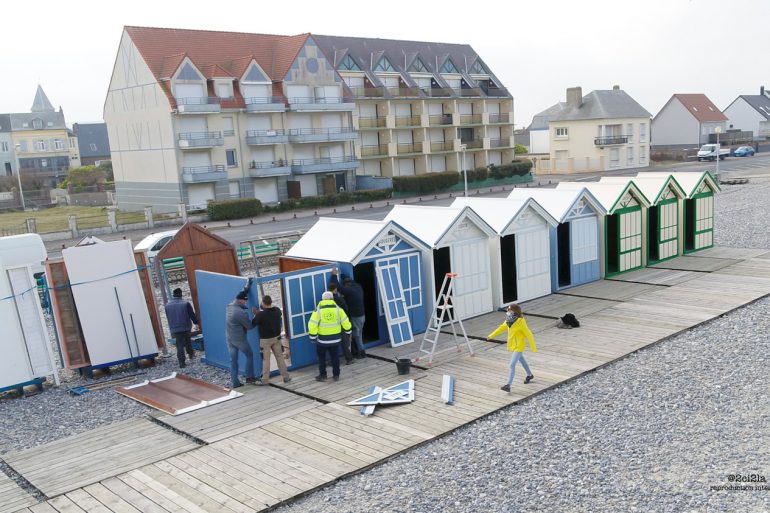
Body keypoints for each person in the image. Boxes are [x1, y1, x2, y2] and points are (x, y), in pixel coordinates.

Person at [487, 304, 536, 392]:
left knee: (512, 364)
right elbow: (501, 328)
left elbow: (529, 334)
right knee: (522, 360)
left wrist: (533, 347)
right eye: (508, 310)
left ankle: (508, 385)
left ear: (515, 311)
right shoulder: (508, 320)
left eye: (509, 310)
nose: (508, 311)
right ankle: (530, 375)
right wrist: (491, 336)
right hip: (513, 345)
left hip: (519, 346)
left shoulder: (521, 322)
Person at [308, 291, 352, 382]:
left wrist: (313, 337)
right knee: (335, 357)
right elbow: (345, 321)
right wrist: (348, 331)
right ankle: (336, 375)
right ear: (332, 299)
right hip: (336, 340)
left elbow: (312, 324)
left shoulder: (318, 311)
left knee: (322, 358)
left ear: (322, 299)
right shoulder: (338, 310)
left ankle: (323, 375)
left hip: (322, 341)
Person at [251, 295, 291, 385]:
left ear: (263, 303)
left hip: (265, 340)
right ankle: (286, 376)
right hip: (276, 338)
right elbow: (269, 314)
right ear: (271, 302)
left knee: (266, 360)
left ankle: (265, 380)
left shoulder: (260, 315)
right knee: (280, 358)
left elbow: (253, 323)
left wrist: (255, 314)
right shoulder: (277, 310)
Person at [330, 268, 366, 358]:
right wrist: (341, 274)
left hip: (355, 317)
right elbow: (348, 279)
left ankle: (361, 353)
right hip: (362, 315)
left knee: (356, 335)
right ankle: (360, 351)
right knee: (359, 334)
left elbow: (337, 286)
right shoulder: (358, 286)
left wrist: (334, 275)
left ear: (346, 285)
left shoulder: (348, 291)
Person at [225, 290, 258, 388]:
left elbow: (239, 295)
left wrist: (246, 287)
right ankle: (249, 377)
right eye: (245, 300)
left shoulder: (229, 306)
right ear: (240, 300)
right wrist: (256, 315)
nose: (246, 302)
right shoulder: (240, 313)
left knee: (233, 361)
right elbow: (250, 326)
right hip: (239, 340)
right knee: (249, 355)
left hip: (229, 338)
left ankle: (235, 382)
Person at [164, 288, 199, 368]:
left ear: (173, 295)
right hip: (185, 327)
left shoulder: (167, 305)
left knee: (179, 344)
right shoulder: (185, 303)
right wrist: (196, 323)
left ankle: (181, 362)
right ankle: (190, 354)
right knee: (187, 341)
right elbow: (192, 315)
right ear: (181, 294)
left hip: (174, 328)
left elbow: (168, 316)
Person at [328, 282, 354, 365]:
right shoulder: (340, 299)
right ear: (335, 289)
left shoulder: (328, 301)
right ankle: (349, 359)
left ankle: (333, 361)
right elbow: (346, 309)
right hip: (341, 323)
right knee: (344, 342)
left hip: (332, 325)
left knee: (332, 343)